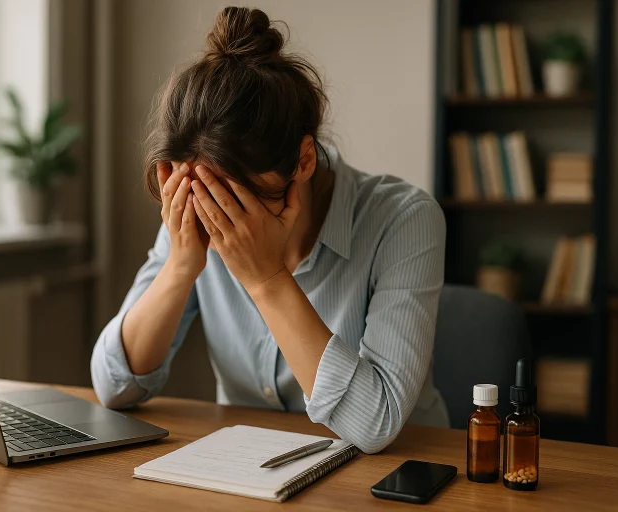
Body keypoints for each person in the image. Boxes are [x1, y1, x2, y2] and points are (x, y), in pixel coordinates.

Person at [91, 6, 448, 454]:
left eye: (237, 201)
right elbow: (113, 387)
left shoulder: (404, 219)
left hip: (401, 473)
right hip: (253, 470)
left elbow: (375, 423)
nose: (220, 218)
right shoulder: (200, 206)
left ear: (302, 161)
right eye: (203, 194)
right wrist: (180, 267)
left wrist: (266, 280)